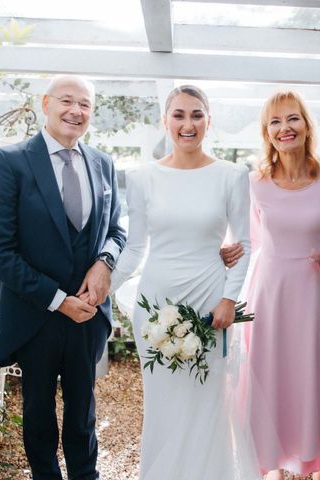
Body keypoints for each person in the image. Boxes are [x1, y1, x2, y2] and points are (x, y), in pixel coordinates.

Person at [109, 85, 258, 479]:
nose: (187, 124)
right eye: (179, 115)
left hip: (210, 304)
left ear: (208, 121)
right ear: (165, 121)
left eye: (196, 115)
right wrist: (102, 287)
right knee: (163, 404)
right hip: (155, 303)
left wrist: (229, 299)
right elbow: (136, 247)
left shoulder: (232, 175)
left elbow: (243, 244)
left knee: (207, 400)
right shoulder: (142, 177)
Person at [0, 75, 126, 480]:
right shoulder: (10, 161)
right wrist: (58, 299)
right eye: (66, 100)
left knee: (83, 414)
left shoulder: (103, 163)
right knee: (38, 415)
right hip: (36, 315)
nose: (75, 111)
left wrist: (105, 263)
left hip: (88, 315)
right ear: (45, 104)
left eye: (85, 105)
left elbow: (117, 229)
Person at [244, 91, 320, 480]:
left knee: (318, 377)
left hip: (319, 300)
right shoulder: (254, 184)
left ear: (306, 125)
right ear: (267, 132)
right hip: (270, 299)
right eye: (276, 121)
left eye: (293, 119)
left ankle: (319, 469)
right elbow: (249, 245)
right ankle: (274, 467)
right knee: (273, 378)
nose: (285, 128)